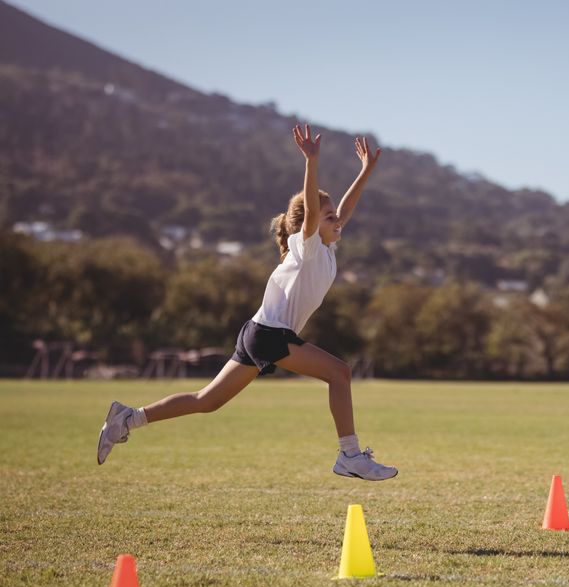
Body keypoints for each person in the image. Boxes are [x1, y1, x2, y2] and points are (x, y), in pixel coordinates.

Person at [97, 124, 397, 481]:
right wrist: (310, 163)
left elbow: (342, 212)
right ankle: (349, 454)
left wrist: (364, 173)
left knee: (206, 401)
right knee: (340, 373)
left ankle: (128, 418)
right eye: (329, 217)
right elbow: (316, 215)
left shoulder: (325, 248)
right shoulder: (308, 246)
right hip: (270, 333)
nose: (339, 222)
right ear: (311, 226)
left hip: (258, 332)